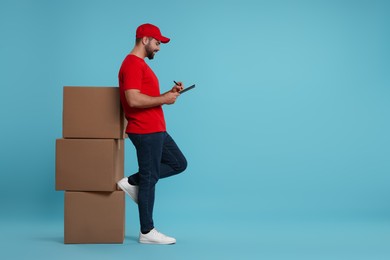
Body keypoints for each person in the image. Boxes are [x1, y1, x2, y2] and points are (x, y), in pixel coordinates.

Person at [117, 23, 188, 245]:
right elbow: (133, 99)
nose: (158, 48)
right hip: (145, 130)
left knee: (178, 163)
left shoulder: (139, 65)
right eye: (157, 43)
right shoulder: (132, 64)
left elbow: (144, 97)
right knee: (150, 178)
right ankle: (147, 231)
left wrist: (169, 94)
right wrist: (164, 99)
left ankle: (131, 181)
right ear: (145, 39)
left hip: (156, 129)